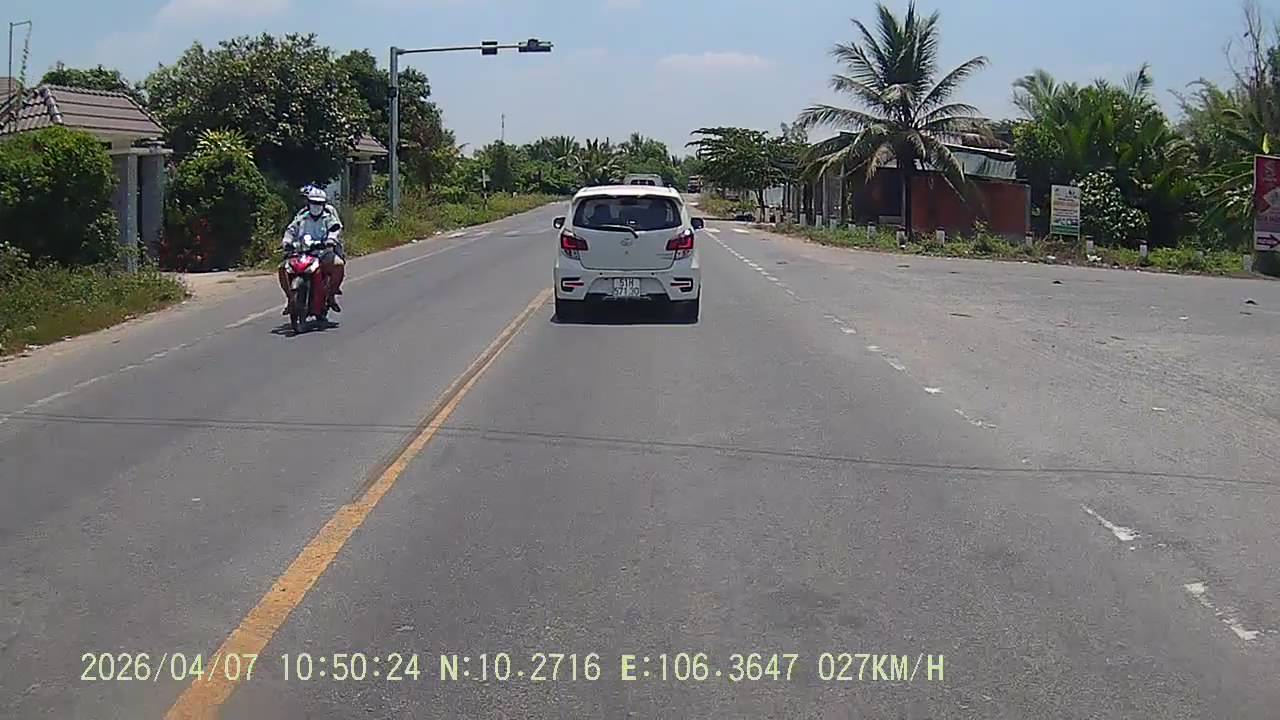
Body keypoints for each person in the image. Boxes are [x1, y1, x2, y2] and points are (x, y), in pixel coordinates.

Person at [280, 187, 345, 314]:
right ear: (308, 203)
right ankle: (291, 299)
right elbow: (291, 230)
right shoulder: (301, 217)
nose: (316, 206)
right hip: (301, 253)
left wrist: (330, 240)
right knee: (282, 268)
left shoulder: (328, 218)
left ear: (324, 204)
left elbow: (335, 230)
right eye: (314, 203)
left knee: (339, 265)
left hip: (322, 253)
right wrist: (287, 242)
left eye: (319, 203)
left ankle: (331, 296)